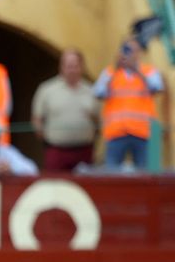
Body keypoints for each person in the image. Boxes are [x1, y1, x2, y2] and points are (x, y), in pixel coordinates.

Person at [96, 39, 166, 172]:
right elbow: (99, 92)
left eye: (132, 51)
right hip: (115, 132)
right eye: (126, 50)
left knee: (145, 174)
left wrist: (136, 71)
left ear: (139, 53)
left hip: (143, 133)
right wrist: (116, 70)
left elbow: (157, 87)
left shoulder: (148, 71)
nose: (129, 54)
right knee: (112, 174)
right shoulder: (111, 72)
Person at [32, 49, 97, 172]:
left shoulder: (91, 91)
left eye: (75, 66)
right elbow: (37, 120)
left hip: (84, 151)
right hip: (56, 151)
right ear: (61, 67)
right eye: (68, 66)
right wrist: (47, 140)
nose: (71, 70)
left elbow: (98, 120)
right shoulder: (46, 90)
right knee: (54, 187)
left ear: (81, 67)